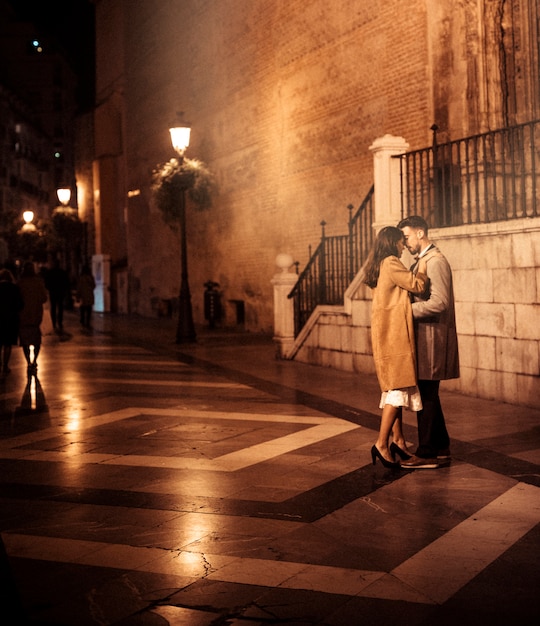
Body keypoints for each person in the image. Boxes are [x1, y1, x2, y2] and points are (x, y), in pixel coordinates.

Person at [362, 226, 428, 468]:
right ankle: (381, 443)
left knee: (393, 387)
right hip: (394, 335)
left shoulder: (378, 263)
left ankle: (398, 440)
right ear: (393, 242)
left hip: (385, 334)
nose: (403, 246)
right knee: (397, 389)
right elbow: (417, 285)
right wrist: (422, 265)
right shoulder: (390, 262)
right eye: (401, 242)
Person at [397, 215, 460, 469]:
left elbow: (440, 302)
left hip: (433, 339)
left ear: (420, 233)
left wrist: (405, 312)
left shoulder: (435, 261)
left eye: (407, 236)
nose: (406, 242)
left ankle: (426, 453)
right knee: (429, 393)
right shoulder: (423, 261)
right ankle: (441, 447)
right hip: (425, 338)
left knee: (427, 394)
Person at [18, 261, 48, 374]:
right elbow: (44, 298)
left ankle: (28, 362)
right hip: (35, 316)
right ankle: (34, 360)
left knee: (25, 341)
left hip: (23, 316)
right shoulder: (38, 282)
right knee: (36, 341)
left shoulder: (20, 283)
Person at [0, 269, 23, 376]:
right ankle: (5, 365)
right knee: (7, 344)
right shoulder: (14, 288)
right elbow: (20, 304)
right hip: (10, 319)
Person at [44, 258, 70, 332]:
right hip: (60, 291)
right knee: (60, 306)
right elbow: (66, 282)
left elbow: (46, 283)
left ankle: (54, 322)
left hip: (53, 291)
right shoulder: (62, 272)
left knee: (53, 307)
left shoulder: (50, 272)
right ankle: (60, 322)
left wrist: (49, 288)